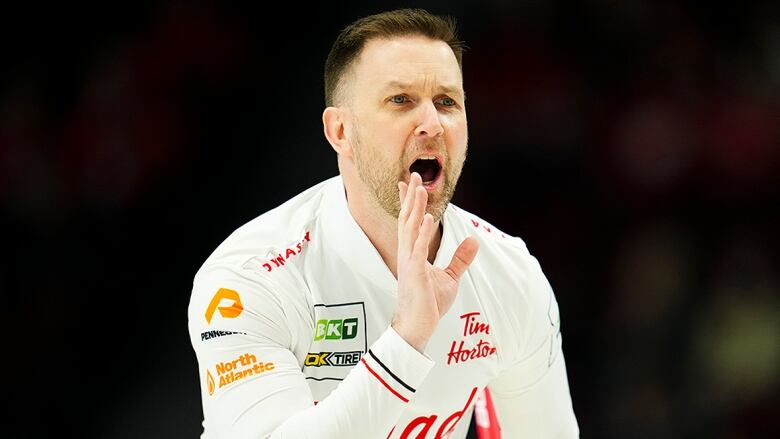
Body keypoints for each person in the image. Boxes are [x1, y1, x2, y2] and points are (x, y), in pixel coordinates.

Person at [188, 8, 579, 438]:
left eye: (447, 102)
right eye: (401, 100)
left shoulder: (510, 273)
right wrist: (406, 341)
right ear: (340, 131)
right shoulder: (249, 278)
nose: (432, 123)